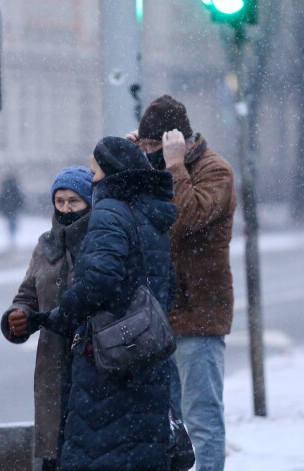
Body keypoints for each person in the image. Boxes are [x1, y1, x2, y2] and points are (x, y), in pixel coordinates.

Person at [44, 137, 176, 470]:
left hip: (109, 356)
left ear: (109, 173)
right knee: (141, 451)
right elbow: (168, 284)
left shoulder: (110, 211)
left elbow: (100, 280)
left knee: (96, 452)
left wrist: (66, 311)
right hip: (149, 351)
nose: (91, 178)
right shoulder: (150, 211)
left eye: (94, 170)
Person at [127, 94, 237, 471]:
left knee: (201, 418)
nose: (152, 154)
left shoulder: (215, 171)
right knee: (165, 420)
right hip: (160, 315)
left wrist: (173, 165)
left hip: (200, 315)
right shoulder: (157, 167)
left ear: (179, 140)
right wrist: (128, 161)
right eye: (147, 146)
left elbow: (185, 217)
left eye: (155, 146)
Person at [0, 166, 94, 471]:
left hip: (92, 358)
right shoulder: (45, 245)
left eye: (74, 201)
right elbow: (27, 293)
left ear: (90, 202)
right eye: (60, 201)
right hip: (53, 361)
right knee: (55, 450)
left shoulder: (100, 241)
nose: (66, 208)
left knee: (88, 446)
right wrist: (20, 315)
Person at [0, 174, 25, 249]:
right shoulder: (15, 187)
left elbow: (1, 199)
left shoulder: (4, 187)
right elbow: (19, 198)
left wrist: (1, 208)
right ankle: (12, 237)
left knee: (10, 223)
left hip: (8, 209)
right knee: (13, 223)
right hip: (13, 209)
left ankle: (11, 237)